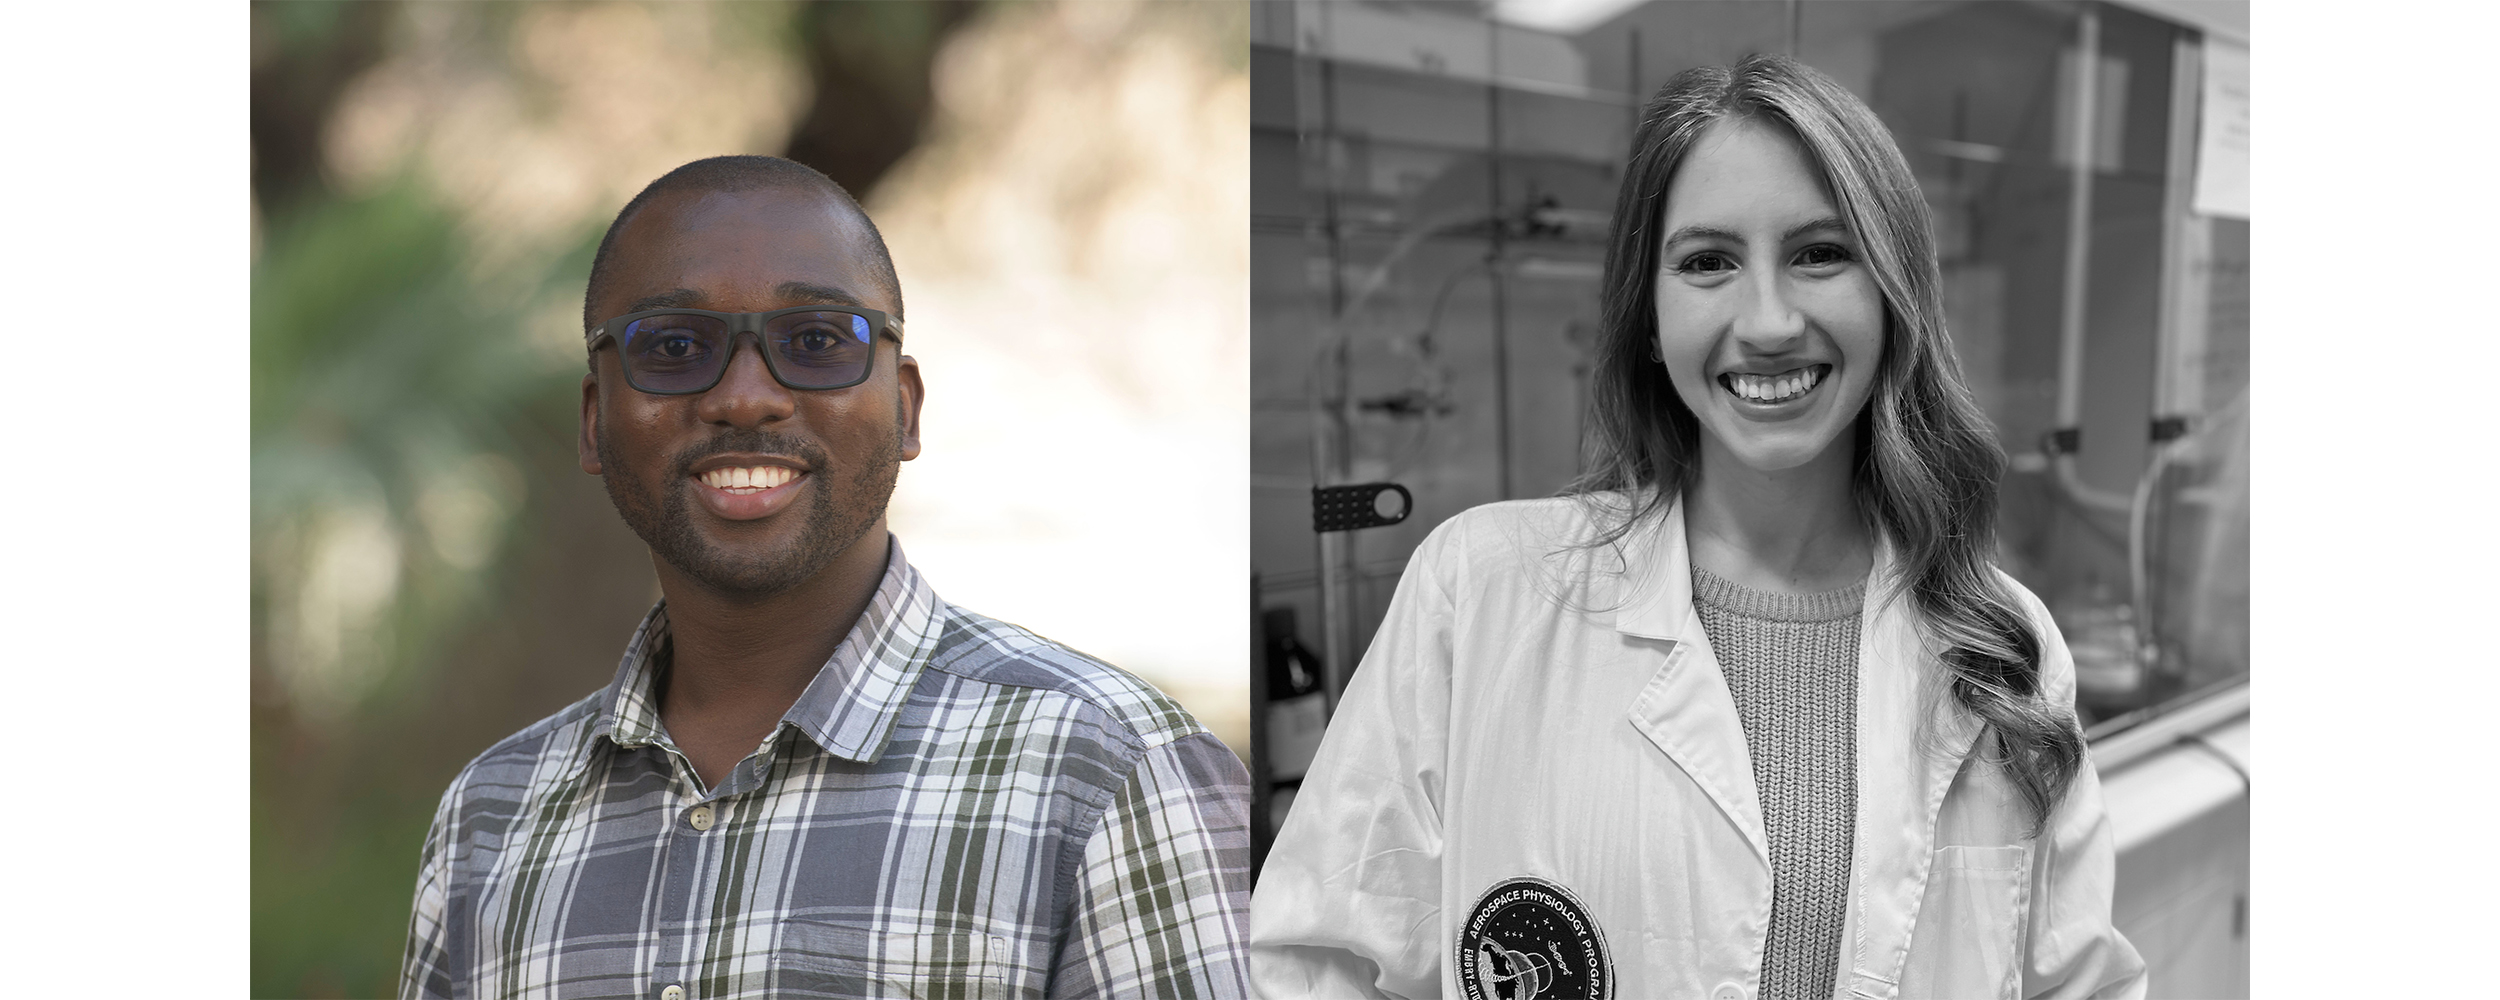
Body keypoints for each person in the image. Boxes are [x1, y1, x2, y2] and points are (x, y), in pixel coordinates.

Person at [1249, 56, 2145, 1000]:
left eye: (1819, 252)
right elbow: (1314, 964)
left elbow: (2077, 983)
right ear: (1649, 312)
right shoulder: (1479, 592)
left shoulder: (2001, 642)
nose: (1766, 321)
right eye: (1707, 262)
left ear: (1894, 295)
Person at [399, 155, 1250, 999]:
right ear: (596, 422)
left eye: (814, 342)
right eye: (673, 347)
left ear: (906, 410)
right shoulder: (492, 819)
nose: (745, 398)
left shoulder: (1107, 772)